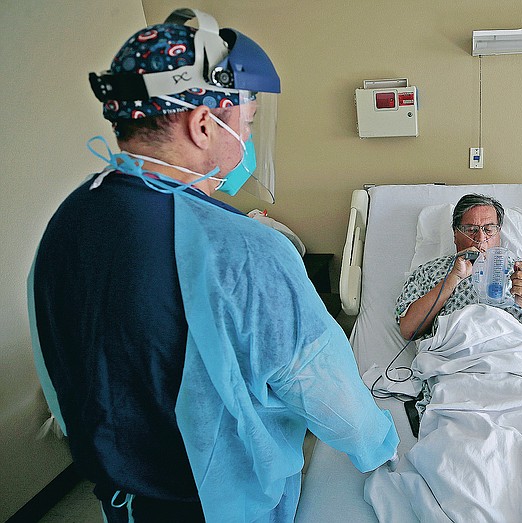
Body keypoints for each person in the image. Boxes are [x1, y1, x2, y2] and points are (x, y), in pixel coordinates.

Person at [28, 8, 397, 522]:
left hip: (123, 498)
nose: (245, 141)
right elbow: (327, 395)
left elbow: (58, 363)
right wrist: (383, 446)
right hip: (221, 503)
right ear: (204, 124)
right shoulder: (246, 250)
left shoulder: (73, 216)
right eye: (244, 125)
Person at [397, 193, 522, 354]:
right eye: (471, 229)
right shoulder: (431, 271)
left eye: (488, 229)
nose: (481, 238)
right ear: (455, 235)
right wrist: (453, 279)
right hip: (459, 361)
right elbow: (409, 330)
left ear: (499, 233)